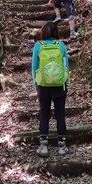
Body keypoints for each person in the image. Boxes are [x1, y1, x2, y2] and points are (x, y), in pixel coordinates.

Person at [31, 21, 69, 157]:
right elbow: (66, 66)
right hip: (60, 85)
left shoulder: (38, 46)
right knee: (60, 115)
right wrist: (66, 82)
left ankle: (43, 146)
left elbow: (34, 67)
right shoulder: (61, 45)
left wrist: (36, 85)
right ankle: (62, 146)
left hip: (43, 86)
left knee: (44, 114)